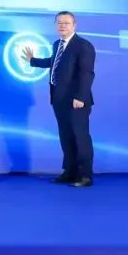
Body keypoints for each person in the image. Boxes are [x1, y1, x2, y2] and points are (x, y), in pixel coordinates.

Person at [22, 11, 96, 187]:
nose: (62, 26)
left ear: (74, 25)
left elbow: (86, 73)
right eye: (59, 23)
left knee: (80, 137)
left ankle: (85, 175)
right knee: (66, 137)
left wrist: (80, 97)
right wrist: (33, 60)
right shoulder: (57, 44)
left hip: (76, 101)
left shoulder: (83, 45)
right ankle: (70, 172)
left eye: (66, 23)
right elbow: (55, 62)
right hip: (59, 99)